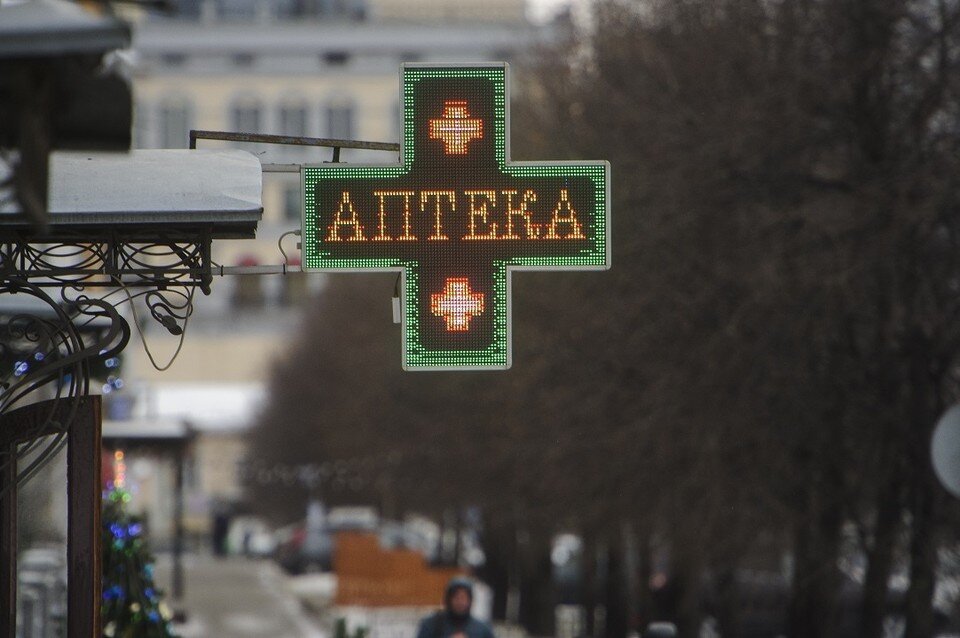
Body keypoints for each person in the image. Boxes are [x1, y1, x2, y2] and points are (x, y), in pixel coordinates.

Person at [416, 577, 494, 638]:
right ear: (448, 599)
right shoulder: (431, 625)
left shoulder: (482, 629)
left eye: (464, 598)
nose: (460, 602)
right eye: (456, 598)